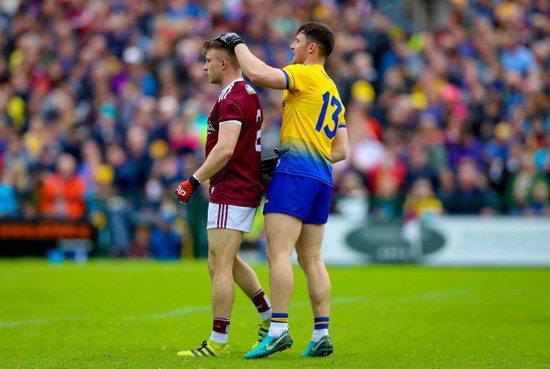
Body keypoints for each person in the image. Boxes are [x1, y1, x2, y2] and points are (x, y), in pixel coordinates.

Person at [216, 21, 348, 359]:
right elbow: (342, 150)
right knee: (311, 258)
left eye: (297, 41)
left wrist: (237, 42)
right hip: (322, 176)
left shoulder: (306, 74)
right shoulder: (332, 90)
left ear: (312, 49)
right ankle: (322, 333)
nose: (292, 46)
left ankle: (278, 330)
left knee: (278, 252)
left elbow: (259, 75)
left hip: (297, 174)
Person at [174, 38, 271, 358]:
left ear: (224, 63)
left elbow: (226, 148)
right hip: (240, 187)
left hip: (232, 188)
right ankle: (270, 319)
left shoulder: (232, 99)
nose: (204, 67)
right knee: (224, 259)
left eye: (208, 60)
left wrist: (193, 180)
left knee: (219, 263)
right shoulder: (249, 94)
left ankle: (218, 341)